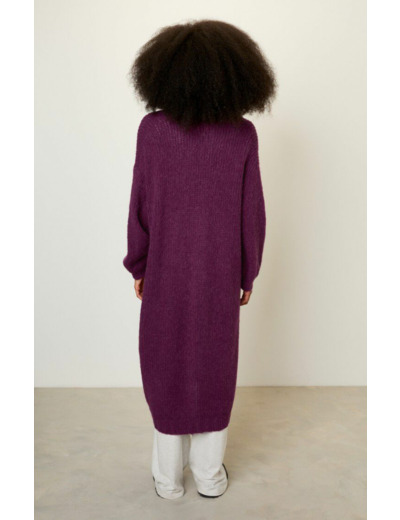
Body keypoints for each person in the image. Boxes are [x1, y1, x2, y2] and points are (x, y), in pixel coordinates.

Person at [123, 19, 276, 499]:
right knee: (214, 363)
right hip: (218, 272)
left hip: (165, 271)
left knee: (164, 361)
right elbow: (252, 212)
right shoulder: (242, 135)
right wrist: (248, 271)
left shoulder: (152, 131)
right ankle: (209, 475)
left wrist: (139, 263)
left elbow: (141, 204)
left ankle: (168, 478)